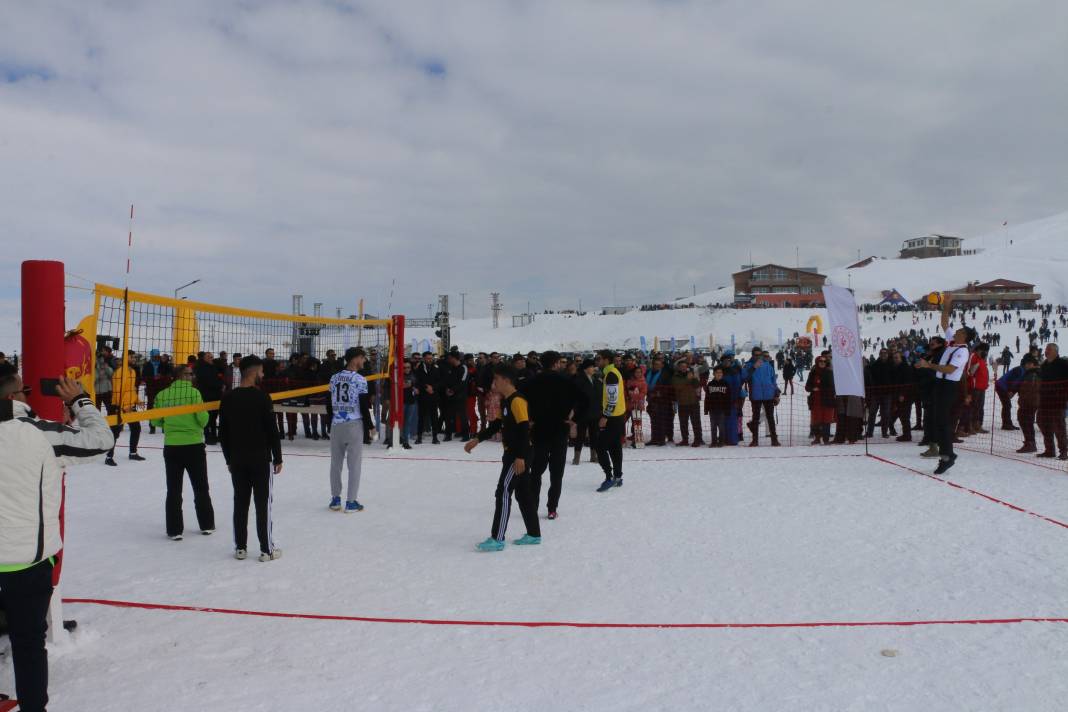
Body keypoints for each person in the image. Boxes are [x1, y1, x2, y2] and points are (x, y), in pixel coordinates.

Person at [1, 374, 113, 712]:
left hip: (24, 559)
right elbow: (101, 441)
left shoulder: (43, 431)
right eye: (27, 390)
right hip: (27, 563)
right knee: (28, 643)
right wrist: (79, 400)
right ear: (15, 395)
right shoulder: (42, 434)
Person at [464, 364, 540, 551]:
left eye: (496, 379)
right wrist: (477, 439)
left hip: (518, 454)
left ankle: (497, 539)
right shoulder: (506, 400)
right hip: (513, 453)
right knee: (523, 495)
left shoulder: (517, 400)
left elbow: (524, 429)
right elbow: (496, 424)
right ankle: (533, 534)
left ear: (506, 380)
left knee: (503, 492)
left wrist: (520, 457)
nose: (493, 382)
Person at [218, 356, 283, 562]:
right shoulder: (262, 397)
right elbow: (272, 431)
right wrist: (278, 457)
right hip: (260, 459)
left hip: (237, 459)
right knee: (262, 504)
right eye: (262, 372)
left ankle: (241, 548)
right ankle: (266, 549)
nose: (263, 376)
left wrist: (229, 459)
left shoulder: (228, 398)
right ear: (254, 373)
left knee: (240, 503)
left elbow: (223, 433)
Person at [150, 365, 216, 541]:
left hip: (172, 446)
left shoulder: (162, 395)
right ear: (183, 376)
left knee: (173, 490)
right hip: (194, 445)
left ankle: (174, 530)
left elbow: (155, 421)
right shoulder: (194, 394)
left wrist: (170, 426)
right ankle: (207, 525)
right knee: (201, 487)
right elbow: (202, 420)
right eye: (190, 374)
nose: (192, 376)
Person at [519, 351, 586, 520]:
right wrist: (574, 419)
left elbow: (517, 399)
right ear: (556, 363)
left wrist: (527, 419)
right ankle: (552, 508)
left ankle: (533, 505)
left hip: (539, 430)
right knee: (556, 473)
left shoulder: (532, 381)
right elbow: (586, 400)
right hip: (559, 430)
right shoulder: (566, 381)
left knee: (536, 471)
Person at [916, 295, 973, 474]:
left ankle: (947, 455)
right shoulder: (952, 344)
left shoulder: (962, 352)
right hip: (940, 384)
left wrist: (928, 365)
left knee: (942, 422)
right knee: (937, 420)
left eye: (960, 332)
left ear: (965, 337)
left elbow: (949, 370)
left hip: (948, 387)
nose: (956, 332)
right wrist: (947, 305)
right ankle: (946, 454)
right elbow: (944, 323)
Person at [327, 347, 373, 512]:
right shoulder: (360, 379)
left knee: (335, 464)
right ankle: (351, 502)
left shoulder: (334, 378)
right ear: (355, 359)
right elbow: (363, 405)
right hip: (353, 424)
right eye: (362, 358)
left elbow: (328, 403)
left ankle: (335, 499)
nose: (364, 361)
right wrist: (371, 427)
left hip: (336, 424)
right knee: (354, 465)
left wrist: (329, 423)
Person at [105, 355, 145, 466]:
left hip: (129, 406)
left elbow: (131, 389)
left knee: (136, 428)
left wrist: (138, 400)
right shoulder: (120, 372)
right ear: (124, 359)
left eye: (134, 358)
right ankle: (109, 457)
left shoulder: (132, 371)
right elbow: (118, 391)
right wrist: (120, 407)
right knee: (114, 433)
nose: (133, 359)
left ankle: (133, 453)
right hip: (118, 406)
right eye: (131, 357)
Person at [595, 349, 627, 492]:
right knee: (615, 447)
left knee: (600, 446)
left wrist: (605, 416)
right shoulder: (612, 372)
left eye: (599, 358)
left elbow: (612, 398)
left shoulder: (611, 374)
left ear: (606, 360)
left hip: (613, 417)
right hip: (618, 415)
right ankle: (618, 476)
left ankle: (609, 477)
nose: (597, 361)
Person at [1036, 343, 1068, 459]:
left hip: (1058, 400)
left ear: (1056, 351)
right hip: (1044, 400)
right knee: (1041, 422)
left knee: (1059, 426)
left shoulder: (1063, 364)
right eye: (1046, 349)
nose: (1046, 351)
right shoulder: (1044, 365)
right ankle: (1049, 450)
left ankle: (1064, 451)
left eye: (1048, 349)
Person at [743, 350, 780, 446]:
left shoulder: (768, 365)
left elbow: (773, 381)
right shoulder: (748, 365)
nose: (758, 356)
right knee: (755, 418)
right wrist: (753, 368)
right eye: (756, 355)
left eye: (760, 355)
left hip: (768, 395)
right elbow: (744, 378)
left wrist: (776, 393)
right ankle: (755, 440)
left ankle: (774, 439)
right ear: (752, 355)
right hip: (756, 395)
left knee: (770, 418)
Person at [572, 358, 601, 464]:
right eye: (591, 367)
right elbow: (577, 397)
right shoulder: (579, 380)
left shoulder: (596, 379)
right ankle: (577, 457)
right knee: (581, 435)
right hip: (583, 412)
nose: (594, 368)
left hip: (595, 412)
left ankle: (593, 456)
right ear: (585, 369)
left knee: (594, 434)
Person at [671, 358, 703, 446]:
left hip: (694, 402)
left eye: (685, 366)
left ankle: (698, 439)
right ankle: (685, 439)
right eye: (681, 366)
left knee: (696, 422)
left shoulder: (692, 375)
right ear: (678, 368)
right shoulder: (675, 376)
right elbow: (678, 386)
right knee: (683, 423)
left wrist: (694, 378)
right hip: (682, 402)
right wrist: (688, 380)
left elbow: (697, 385)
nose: (683, 368)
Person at [805, 355, 836, 444]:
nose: (822, 363)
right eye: (820, 362)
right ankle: (817, 438)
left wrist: (821, 388)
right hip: (816, 400)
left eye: (824, 362)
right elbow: (807, 387)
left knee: (826, 420)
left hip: (827, 400)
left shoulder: (829, 373)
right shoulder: (813, 373)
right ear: (817, 363)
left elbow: (832, 387)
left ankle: (826, 439)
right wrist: (812, 388)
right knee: (816, 420)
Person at [194, 351, 222, 444]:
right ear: (204, 358)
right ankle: (208, 436)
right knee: (207, 417)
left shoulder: (213, 366)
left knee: (214, 417)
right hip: (206, 395)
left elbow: (217, 379)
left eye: (212, 357)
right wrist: (219, 384)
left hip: (215, 396)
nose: (211, 358)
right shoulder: (200, 367)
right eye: (209, 357)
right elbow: (207, 381)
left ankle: (214, 435)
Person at [1015, 355, 1041, 454]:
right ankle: (1029, 442)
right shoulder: (1031, 373)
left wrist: (1023, 399)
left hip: (1030, 402)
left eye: (1026, 364)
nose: (1025, 366)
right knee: (1024, 420)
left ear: (1031, 364)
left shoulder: (1033, 374)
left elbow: (1031, 389)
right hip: (1029, 401)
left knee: (1026, 421)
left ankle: (1030, 443)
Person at [441, 351, 470, 441]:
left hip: (460, 396)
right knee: (448, 415)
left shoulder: (463, 367)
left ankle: (466, 435)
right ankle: (448, 435)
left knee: (462, 416)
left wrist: (453, 390)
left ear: (454, 358)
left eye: (450, 358)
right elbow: (447, 380)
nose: (449, 360)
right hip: (450, 396)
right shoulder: (450, 367)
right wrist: (447, 389)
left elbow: (463, 382)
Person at [415, 351, 441, 445]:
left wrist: (433, 388)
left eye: (431, 358)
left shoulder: (436, 368)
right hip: (423, 396)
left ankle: (435, 437)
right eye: (428, 358)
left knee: (434, 417)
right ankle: (419, 437)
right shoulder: (419, 368)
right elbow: (417, 381)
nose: (430, 360)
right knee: (421, 417)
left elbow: (440, 381)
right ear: (424, 359)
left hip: (433, 396)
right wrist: (426, 387)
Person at [704, 366, 731, 447]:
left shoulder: (726, 384)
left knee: (721, 426)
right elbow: (707, 397)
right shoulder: (710, 384)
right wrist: (706, 409)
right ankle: (714, 441)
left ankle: (721, 441)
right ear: (714, 374)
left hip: (722, 409)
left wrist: (727, 409)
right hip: (712, 409)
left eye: (720, 373)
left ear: (722, 374)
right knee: (713, 426)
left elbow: (728, 397)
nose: (719, 374)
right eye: (717, 373)